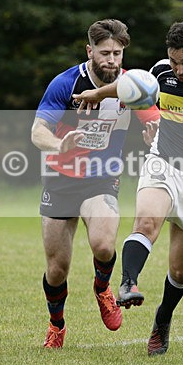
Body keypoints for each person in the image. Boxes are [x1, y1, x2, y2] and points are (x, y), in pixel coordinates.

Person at [73, 20, 183, 355]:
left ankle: (163, 318)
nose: (178, 70)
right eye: (173, 61)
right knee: (146, 223)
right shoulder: (161, 71)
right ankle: (127, 283)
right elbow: (131, 86)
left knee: (181, 270)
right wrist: (97, 92)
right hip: (162, 164)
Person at [31, 19, 158, 348]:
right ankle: (56, 324)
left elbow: (156, 123)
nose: (112, 60)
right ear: (90, 51)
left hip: (101, 179)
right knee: (57, 269)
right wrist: (59, 145)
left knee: (103, 245)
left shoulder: (133, 87)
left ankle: (102, 288)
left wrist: (154, 135)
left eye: (117, 53)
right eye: (104, 53)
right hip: (60, 180)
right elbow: (38, 131)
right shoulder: (65, 83)